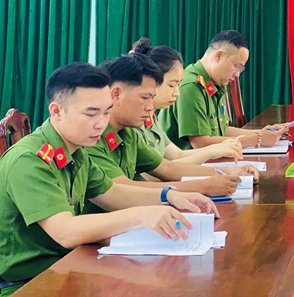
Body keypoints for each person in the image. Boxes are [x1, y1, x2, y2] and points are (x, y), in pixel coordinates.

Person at [0, 63, 218, 295]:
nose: (101, 124)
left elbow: (111, 193)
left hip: (70, 265)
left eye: (106, 112)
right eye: (91, 114)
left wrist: (170, 196)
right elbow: (65, 231)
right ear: (56, 111)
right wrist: (141, 215)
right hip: (30, 283)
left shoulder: (76, 150)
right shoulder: (30, 160)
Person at [85, 54, 258, 209]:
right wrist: (202, 186)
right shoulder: (92, 136)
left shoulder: (126, 132)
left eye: (152, 98)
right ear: (116, 95)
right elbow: (121, 189)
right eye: (144, 98)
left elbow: (167, 168)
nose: (150, 107)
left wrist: (227, 172)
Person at [158, 30, 287, 150]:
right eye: (236, 66)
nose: (237, 74)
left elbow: (222, 130)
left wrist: (263, 133)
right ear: (219, 56)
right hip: (186, 163)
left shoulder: (215, 82)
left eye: (240, 69)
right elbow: (201, 143)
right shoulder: (192, 85)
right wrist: (257, 139)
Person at [130, 39, 243, 165]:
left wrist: (216, 149)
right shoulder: (133, 123)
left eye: (178, 85)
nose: (177, 93)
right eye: (171, 85)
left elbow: (177, 155)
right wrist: (211, 152)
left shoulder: (152, 118)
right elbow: (160, 171)